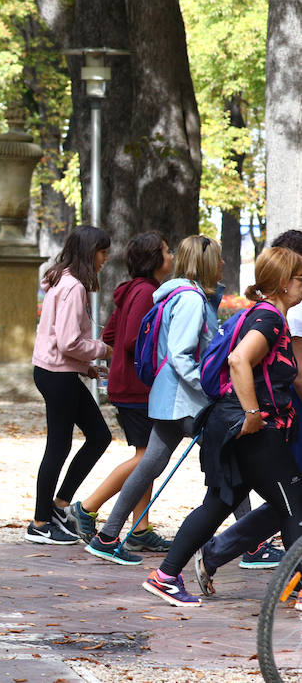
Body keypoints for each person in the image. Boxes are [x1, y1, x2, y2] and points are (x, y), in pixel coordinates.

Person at [143, 246, 302, 606]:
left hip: (232, 426)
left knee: (218, 503)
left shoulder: (265, 314)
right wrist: (250, 414)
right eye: (300, 278)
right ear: (281, 283)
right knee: (295, 502)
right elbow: (238, 360)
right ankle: (299, 587)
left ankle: (165, 576)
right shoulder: (270, 319)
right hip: (250, 429)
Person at [85, 236, 238, 564]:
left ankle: (108, 536)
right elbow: (182, 354)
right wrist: (210, 386)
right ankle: (250, 546)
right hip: (184, 400)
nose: (223, 264)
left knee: (150, 464)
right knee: (231, 456)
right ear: (206, 262)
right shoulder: (190, 300)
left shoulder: (181, 295)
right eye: (219, 259)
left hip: (169, 397)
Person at [69, 232, 173, 547]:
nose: (172, 256)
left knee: (148, 457)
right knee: (147, 459)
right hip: (136, 389)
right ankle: (86, 509)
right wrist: (163, 356)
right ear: (155, 258)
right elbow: (129, 340)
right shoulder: (145, 293)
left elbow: (112, 333)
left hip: (130, 386)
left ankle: (139, 530)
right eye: (167, 251)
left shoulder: (135, 290)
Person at [27, 225, 113, 545]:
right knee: (60, 446)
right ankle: (40, 521)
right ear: (90, 253)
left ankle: (58, 507)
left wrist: (87, 368)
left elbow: (60, 341)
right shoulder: (73, 286)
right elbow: (67, 342)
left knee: (98, 436)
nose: (105, 258)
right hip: (57, 374)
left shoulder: (62, 280)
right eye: (102, 252)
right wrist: (103, 350)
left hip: (56, 372)